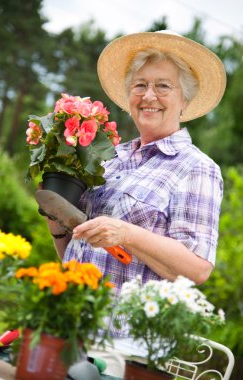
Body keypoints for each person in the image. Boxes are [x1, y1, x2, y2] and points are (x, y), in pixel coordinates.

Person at [47, 30, 226, 378]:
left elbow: (197, 270)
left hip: (126, 348)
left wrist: (127, 234)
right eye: (140, 85)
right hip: (68, 328)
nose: (149, 96)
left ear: (185, 100)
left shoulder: (197, 167)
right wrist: (57, 224)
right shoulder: (109, 158)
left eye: (163, 86)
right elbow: (79, 253)